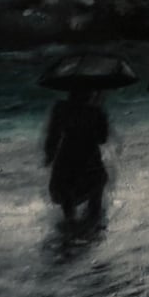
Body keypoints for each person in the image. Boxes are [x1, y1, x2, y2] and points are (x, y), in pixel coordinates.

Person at [43, 89, 109, 223]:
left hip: (66, 153)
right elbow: (102, 138)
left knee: (66, 189)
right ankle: (93, 217)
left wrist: (50, 154)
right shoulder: (94, 111)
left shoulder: (61, 108)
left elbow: (53, 134)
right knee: (97, 182)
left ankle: (69, 220)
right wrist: (98, 111)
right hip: (89, 154)